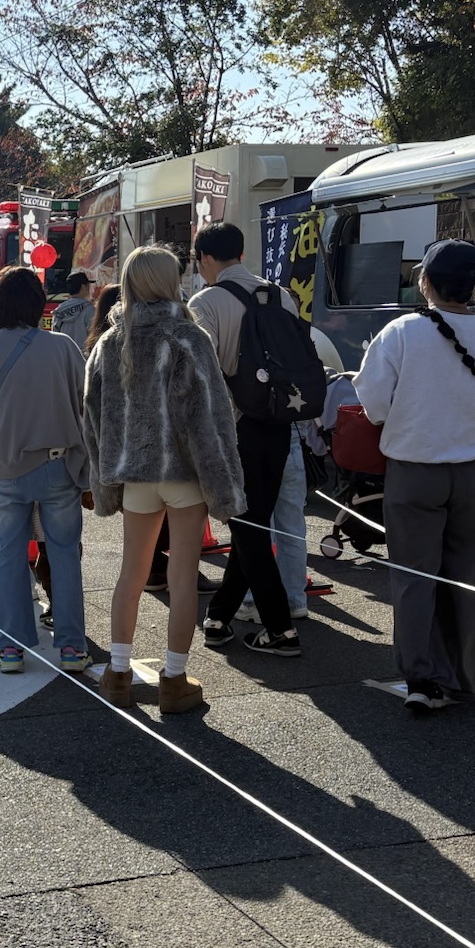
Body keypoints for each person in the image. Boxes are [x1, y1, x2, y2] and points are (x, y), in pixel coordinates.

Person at [355, 240, 475, 713]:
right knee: (472, 577)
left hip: (413, 470)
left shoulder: (400, 333)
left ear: (425, 281)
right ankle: (463, 676)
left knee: (414, 576)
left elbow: (374, 405)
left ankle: (420, 679)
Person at [83, 245, 245, 712]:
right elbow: (212, 418)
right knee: (180, 576)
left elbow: (93, 417)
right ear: (170, 283)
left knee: (131, 573)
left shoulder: (109, 343)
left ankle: (117, 673)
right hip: (184, 475)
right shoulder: (188, 338)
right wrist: (225, 485)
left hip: (134, 475)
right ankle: (174, 680)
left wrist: (103, 476)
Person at [0, 266, 90, 675]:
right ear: (39, 304)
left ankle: (11, 649)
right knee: (65, 554)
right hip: (58, 464)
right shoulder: (64, 347)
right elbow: (84, 404)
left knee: (8, 554)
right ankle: (71, 647)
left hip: (6, 466)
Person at [189, 223, 304, 658]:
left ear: (204, 258)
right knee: (251, 522)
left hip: (233, 426)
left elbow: (206, 373)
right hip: (278, 421)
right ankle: (218, 616)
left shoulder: (207, 301)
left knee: (246, 524)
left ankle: (281, 629)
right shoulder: (281, 295)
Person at [52, 271, 96, 349]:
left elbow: (55, 337)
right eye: (88, 285)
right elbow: (94, 336)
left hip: (64, 357)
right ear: (83, 287)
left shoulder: (59, 310)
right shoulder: (89, 309)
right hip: (83, 358)